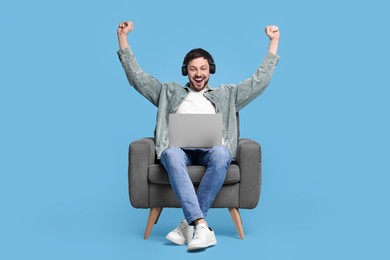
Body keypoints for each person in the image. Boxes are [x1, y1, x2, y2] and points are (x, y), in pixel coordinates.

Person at [117, 20, 280, 251]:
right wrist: (123, 38)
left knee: (223, 153)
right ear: (186, 71)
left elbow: (259, 82)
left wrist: (274, 42)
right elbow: (137, 77)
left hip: (211, 152)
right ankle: (201, 225)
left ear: (210, 70)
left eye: (203, 68)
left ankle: (188, 224)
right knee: (170, 154)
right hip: (178, 151)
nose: (198, 73)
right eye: (193, 69)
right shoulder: (168, 92)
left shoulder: (227, 95)